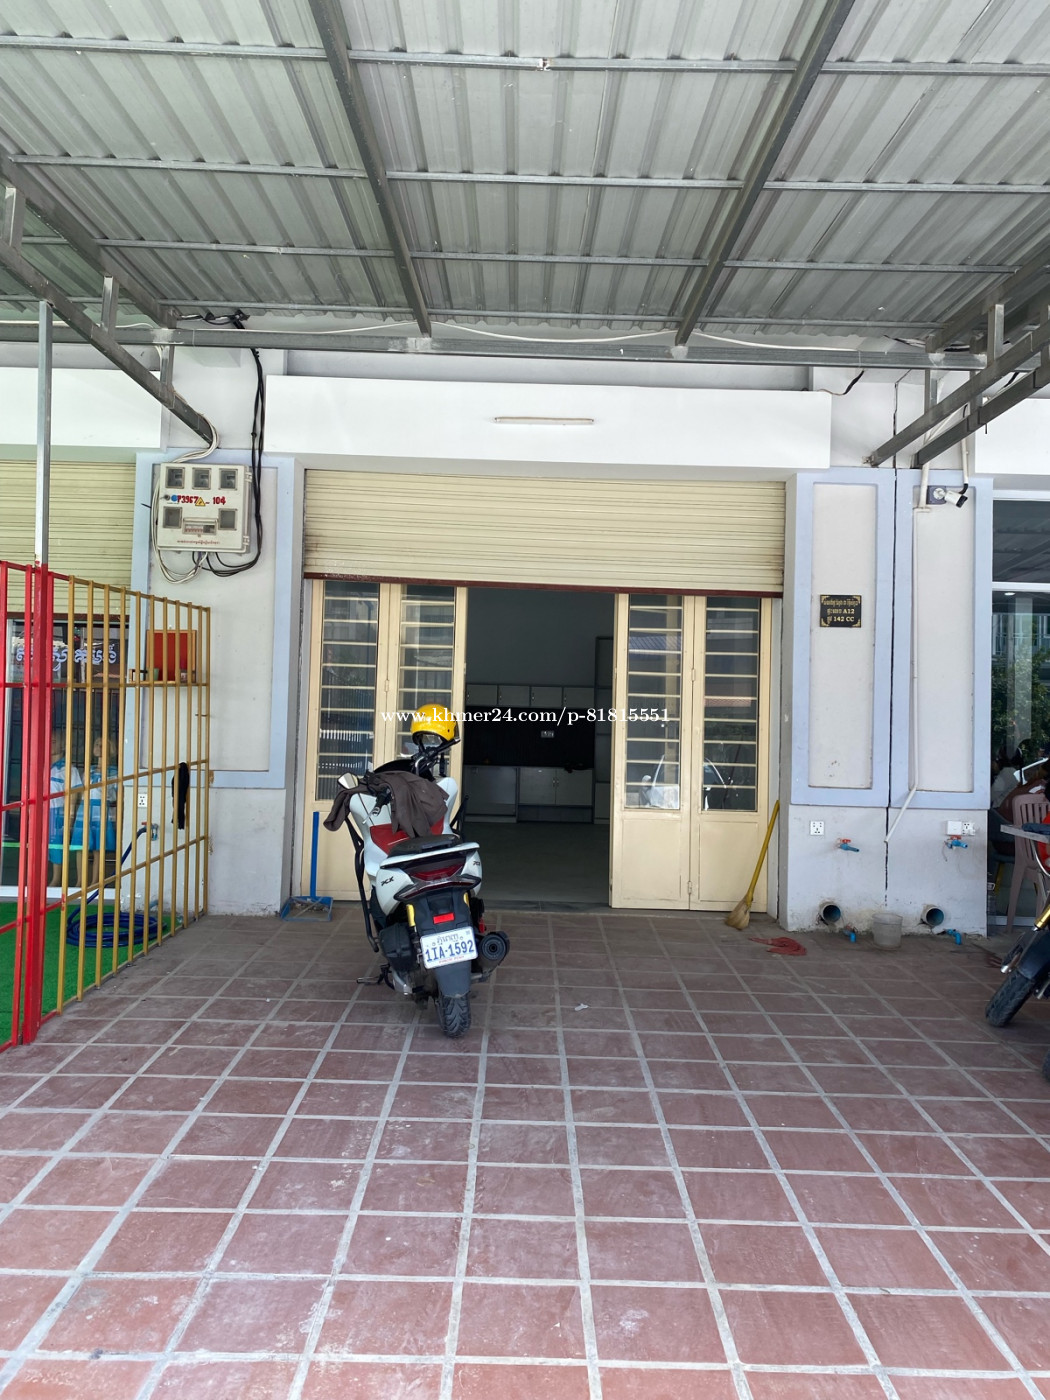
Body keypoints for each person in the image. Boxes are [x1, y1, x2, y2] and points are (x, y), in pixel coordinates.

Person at [48, 730, 83, 887]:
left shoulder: (69, 769)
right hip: (42, 811)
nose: (50, 744)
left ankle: (57, 879)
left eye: (54, 741)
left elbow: (73, 797)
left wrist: (69, 819)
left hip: (58, 811)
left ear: (63, 746)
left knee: (57, 845)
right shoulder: (43, 766)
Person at [86, 734, 119, 885]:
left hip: (104, 810)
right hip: (87, 809)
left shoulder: (114, 772)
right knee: (84, 845)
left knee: (99, 847)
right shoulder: (89, 770)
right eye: (97, 744)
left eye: (103, 745)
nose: (99, 747)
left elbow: (117, 795)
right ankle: (80, 881)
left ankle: (96, 881)